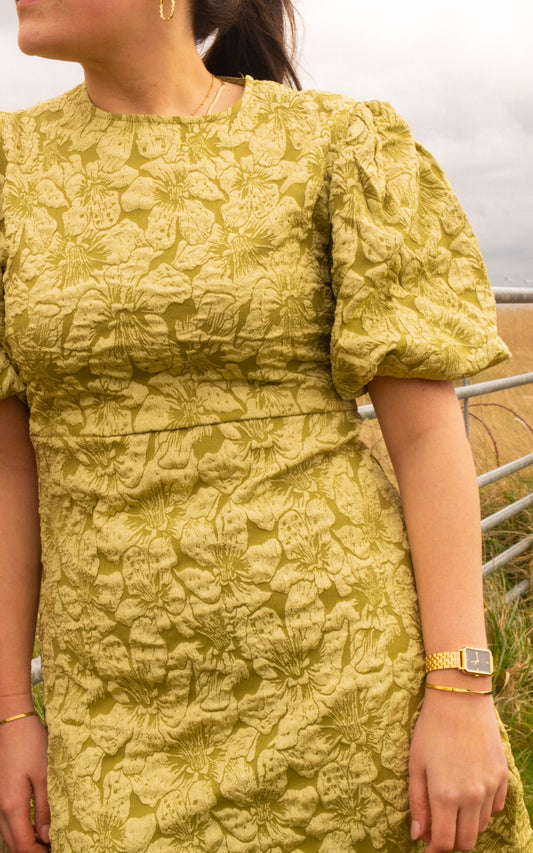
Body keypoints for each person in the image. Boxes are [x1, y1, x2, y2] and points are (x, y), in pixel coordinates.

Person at [0, 0, 531, 851]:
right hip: (111, 716)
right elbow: (8, 468)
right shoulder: (8, 169)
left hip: (347, 690)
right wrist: (10, 710)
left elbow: (427, 437)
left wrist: (459, 688)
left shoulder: (336, 144)